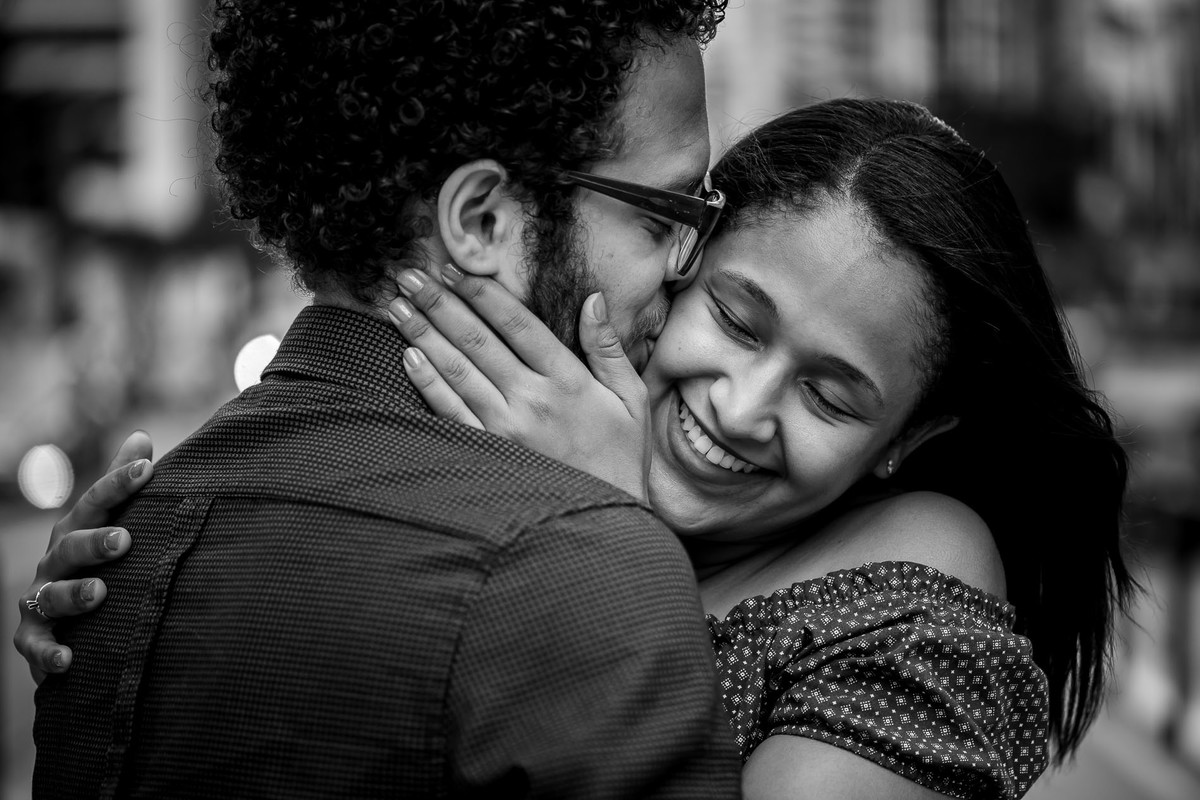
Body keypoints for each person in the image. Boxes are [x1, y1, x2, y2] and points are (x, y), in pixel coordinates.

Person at [14, 101, 1132, 798]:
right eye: (736, 319)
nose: (743, 407)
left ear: (908, 439)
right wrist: (154, 608)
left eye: (831, 396)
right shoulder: (514, 439)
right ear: (680, 263)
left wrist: (610, 533)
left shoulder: (922, 566)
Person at [18, 2, 745, 798]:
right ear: (482, 221)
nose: (683, 270)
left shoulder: (111, 558)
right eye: (665, 217)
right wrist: (618, 545)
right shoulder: (582, 563)